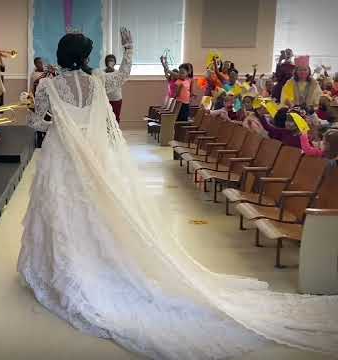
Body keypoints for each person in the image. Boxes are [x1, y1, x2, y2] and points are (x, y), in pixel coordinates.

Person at [17, 28, 338, 360]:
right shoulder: (98, 81)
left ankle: (61, 267)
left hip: (63, 153)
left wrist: (60, 123)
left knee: (60, 208)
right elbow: (123, 76)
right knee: (95, 208)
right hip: (94, 152)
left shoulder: (47, 85)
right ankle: (95, 260)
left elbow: (36, 123)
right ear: (84, 56)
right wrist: (130, 47)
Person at [103, 53, 130, 124]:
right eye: (109, 60)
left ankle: (116, 133)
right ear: (106, 62)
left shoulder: (118, 73)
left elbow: (124, 75)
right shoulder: (102, 73)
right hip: (105, 99)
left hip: (116, 99)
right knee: (106, 118)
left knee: (116, 117)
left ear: (115, 62)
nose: (110, 62)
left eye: (112, 60)